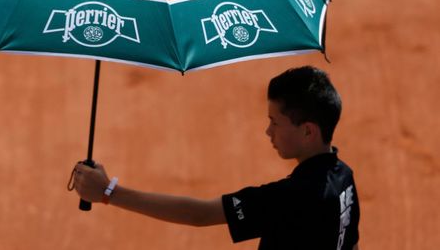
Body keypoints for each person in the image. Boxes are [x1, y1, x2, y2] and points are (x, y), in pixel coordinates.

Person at [71, 66, 360, 250]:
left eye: (275, 122)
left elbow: (200, 214)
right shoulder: (343, 177)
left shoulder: (291, 198)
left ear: (308, 131)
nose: (267, 131)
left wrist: (110, 192)